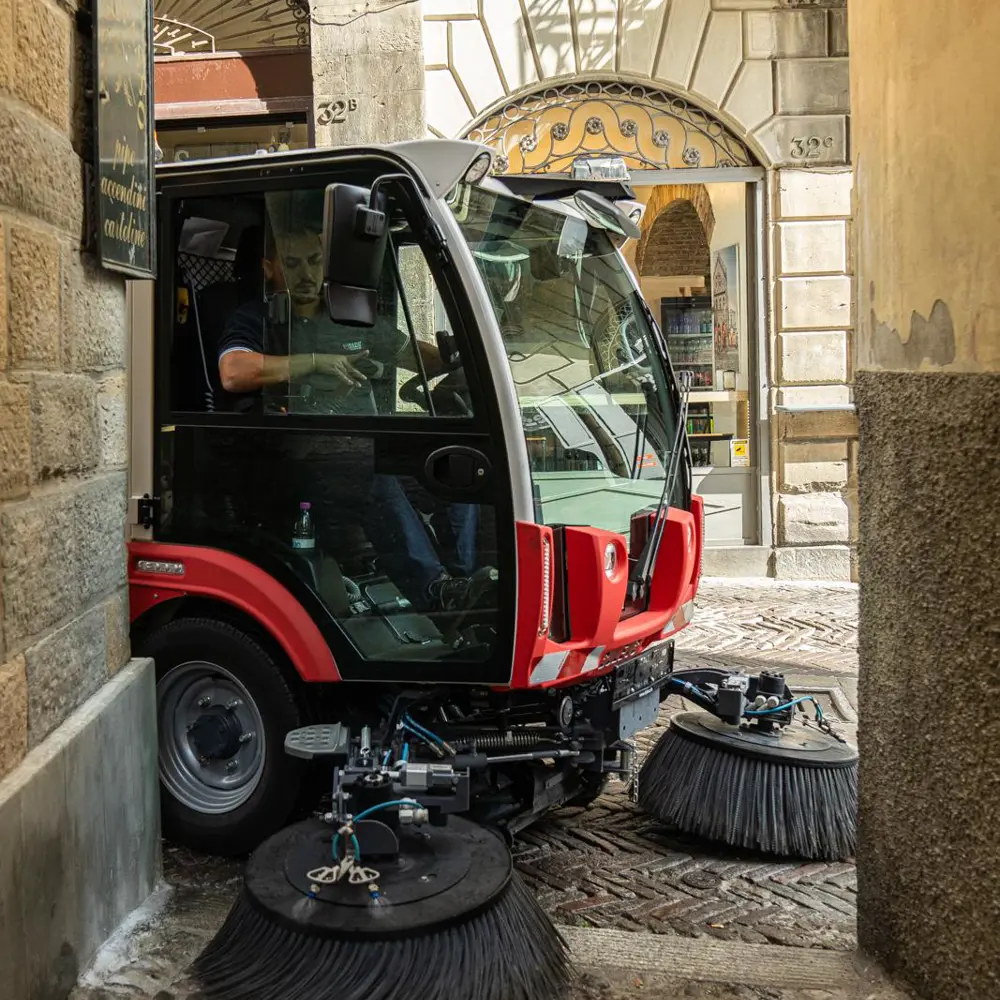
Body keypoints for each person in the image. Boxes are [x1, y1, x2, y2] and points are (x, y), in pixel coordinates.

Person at [216, 192, 490, 613]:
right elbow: (233, 372)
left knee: (457, 468)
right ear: (269, 269)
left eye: (313, 261)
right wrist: (313, 363)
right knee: (371, 476)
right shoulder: (258, 318)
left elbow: (415, 356)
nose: (305, 274)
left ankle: (466, 585)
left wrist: (462, 356)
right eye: (292, 264)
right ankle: (434, 591)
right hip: (304, 455)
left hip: (368, 445)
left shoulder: (346, 316)